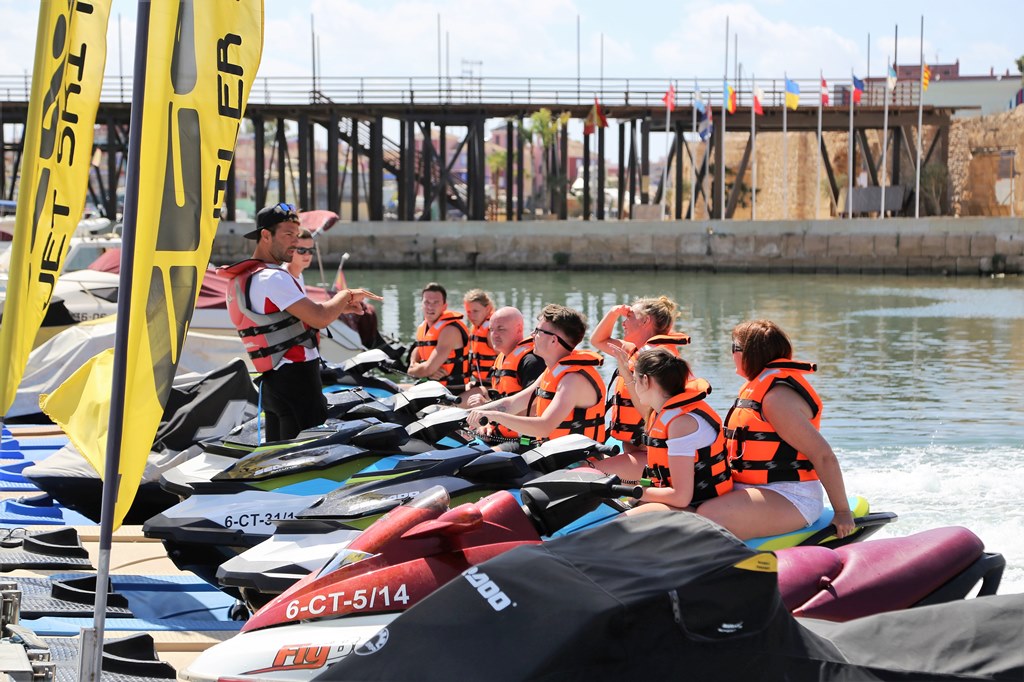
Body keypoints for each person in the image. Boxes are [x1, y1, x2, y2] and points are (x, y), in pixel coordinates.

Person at [221, 202, 381, 441]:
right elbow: (318, 317)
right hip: (298, 381)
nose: (295, 242)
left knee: (278, 460)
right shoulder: (272, 277)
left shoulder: (247, 277)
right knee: (306, 456)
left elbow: (287, 318)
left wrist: (338, 307)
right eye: (288, 235)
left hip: (273, 383)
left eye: (297, 235)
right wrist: (345, 295)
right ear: (265, 235)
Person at [697, 320, 855, 540]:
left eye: (734, 347)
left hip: (790, 495)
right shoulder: (755, 389)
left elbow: (823, 455)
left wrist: (843, 512)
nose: (731, 354)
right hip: (748, 490)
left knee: (707, 517)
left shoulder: (777, 399)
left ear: (750, 353)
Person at [594, 348, 732, 512]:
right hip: (679, 499)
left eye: (636, 381)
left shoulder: (682, 425)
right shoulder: (663, 411)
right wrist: (627, 374)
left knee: (616, 526)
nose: (632, 386)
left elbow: (680, 497)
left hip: (696, 506)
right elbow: (654, 476)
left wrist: (636, 491)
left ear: (646, 381)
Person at [467, 304, 605, 444]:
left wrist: (495, 416)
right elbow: (512, 403)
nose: (532, 335)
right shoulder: (551, 371)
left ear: (553, 340)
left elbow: (544, 427)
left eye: (538, 331)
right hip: (551, 454)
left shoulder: (572, 380)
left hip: (575, 461)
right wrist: (466, 415)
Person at [590, 296, 692, 452]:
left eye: (629, 317)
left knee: (583, 473)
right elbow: (598, 340)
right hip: (634, 447)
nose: (623, 323)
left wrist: (628, 376)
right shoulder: (633, 350)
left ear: (645, 321)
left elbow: (649, 413)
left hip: (650, 451)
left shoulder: (658, 359)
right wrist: (612, 313)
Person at [463, 306, 545, 443]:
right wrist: (489, 424)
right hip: (500, 436)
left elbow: (535, 412)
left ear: (519, 329)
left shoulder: (532, 361)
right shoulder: (502, 358)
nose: (494, 334)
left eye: (501, 329)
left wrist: (488, 407)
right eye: (491, 330)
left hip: (525, 441)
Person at [407, 282, 470, 392]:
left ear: (444, 306)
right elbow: (416, 351)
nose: (430, 306)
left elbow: (426, 369)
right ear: (422, 304)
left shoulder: (449, 330)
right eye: (427, 302)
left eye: (436, 302)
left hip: (451, 391)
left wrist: (415, 370)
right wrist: (415, 365)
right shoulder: (423, 327)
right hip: (430, 387)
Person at [463, 289, 498, 391]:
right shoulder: (476, 328)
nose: (471, 316)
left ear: (487, 309)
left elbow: (506, 359)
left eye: (475, 311)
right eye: (468, 312)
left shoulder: (490, 332)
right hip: (479, 382)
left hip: (492, 386)